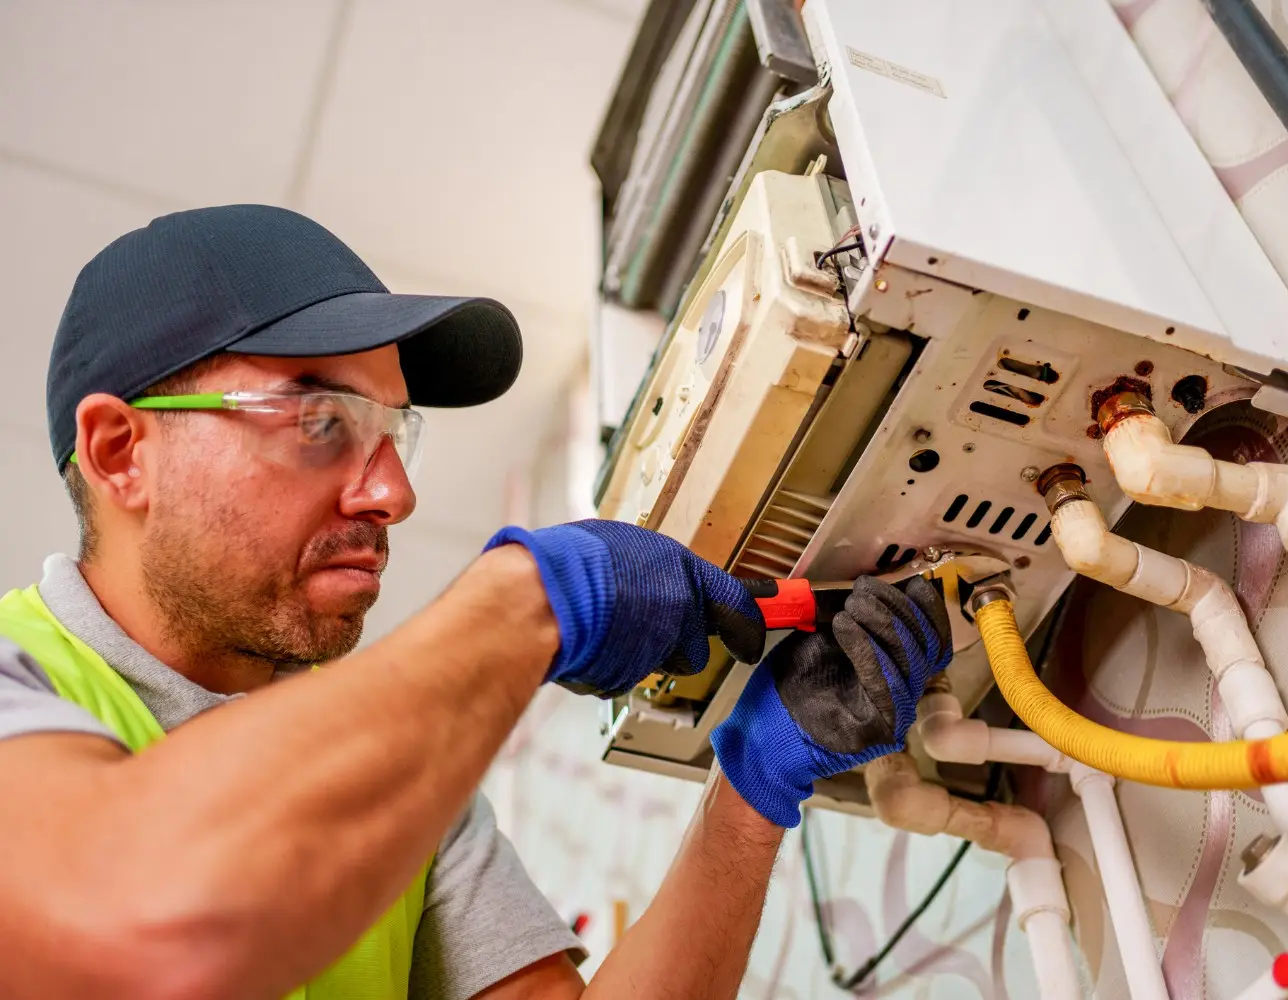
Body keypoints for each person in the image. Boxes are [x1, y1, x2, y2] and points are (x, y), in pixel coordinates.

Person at [0, 205, 952, 1000]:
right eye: (321, 422)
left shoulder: (404, 787)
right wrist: (531, 598)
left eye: (391, 432)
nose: (391, 495)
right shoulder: (18, 682)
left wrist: (752, 789)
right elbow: (126, 921)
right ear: (123, 452)